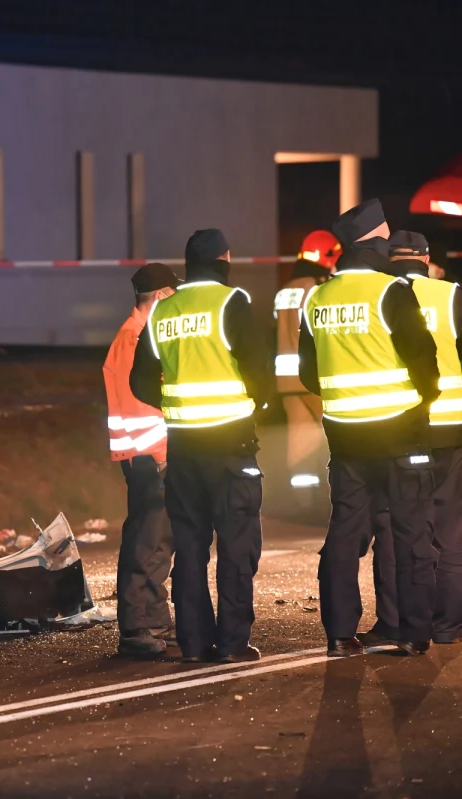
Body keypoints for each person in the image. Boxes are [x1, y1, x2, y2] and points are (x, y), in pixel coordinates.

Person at [298, 201, 440, 657]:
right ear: (376, 244)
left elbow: (308, 373)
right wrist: (421, 403)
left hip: (345, 436)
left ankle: (339, 634)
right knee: (409, 533)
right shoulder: (391, 291)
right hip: (399, 432)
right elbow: (424, 362)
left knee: (344, 533)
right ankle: (414, 633)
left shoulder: (317, 298)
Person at [130, 230, 273, 663]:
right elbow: (260, 373)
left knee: (190, 550)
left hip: (184, 448)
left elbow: (140, 382)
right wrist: (253, 405)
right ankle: (232, 645)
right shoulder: (233, 302)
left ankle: (193, 643)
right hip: (230, 445)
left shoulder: (163, 311)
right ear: (225, 259)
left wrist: (176, 405)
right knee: (236, 546)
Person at [363, 231, 462, 647]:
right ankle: (448, 625)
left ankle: (396, 620)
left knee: (394, 527)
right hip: (451, 426)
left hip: (398, 428)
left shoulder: (378, 294)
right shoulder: (451, 295)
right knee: (451, 528)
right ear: (425, 259)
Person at [104, 263, 179, 658]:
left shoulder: (135, 334)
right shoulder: (135, 338)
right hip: (148, 454)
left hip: (145, 453)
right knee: (146, 541)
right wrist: (163, 455)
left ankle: (154, 621)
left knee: (158, 540)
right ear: (162, 296)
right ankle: (137, 628)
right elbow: (141, 404)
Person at [274, 231, 339, 492]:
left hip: (286, 381)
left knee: (299, 442)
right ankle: (327, 497)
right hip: (314, 375)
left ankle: (301, 499)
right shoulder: (317, 288)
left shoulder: (285, 291)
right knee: (332, 437)